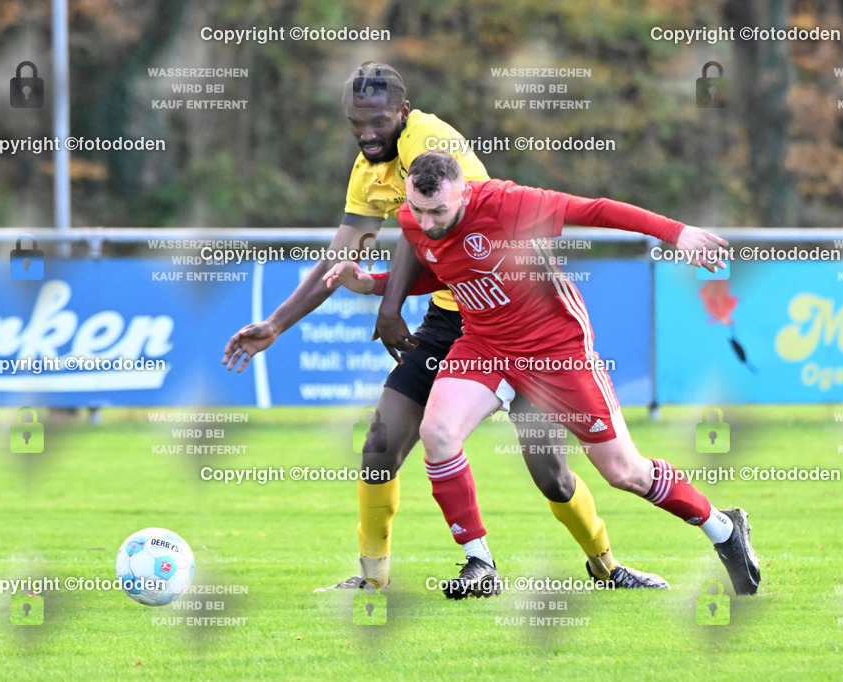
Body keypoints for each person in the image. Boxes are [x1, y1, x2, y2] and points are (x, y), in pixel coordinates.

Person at [223, 63, 657, 599]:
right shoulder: (367, 172)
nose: (367, 132)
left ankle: (606, 565)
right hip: (448, 323)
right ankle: (377, 574)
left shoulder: (430, 141)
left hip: (514, 322)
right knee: (381, 444)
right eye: (356, 122)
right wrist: (276, 323)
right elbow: (341, 258)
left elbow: (427, 227)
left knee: (550, 473)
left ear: (402, 113)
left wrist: (389, 303)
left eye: (378, 120)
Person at [332, 150, 761, 596]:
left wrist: (675, 233)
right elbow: (447, 272)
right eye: (418, 211)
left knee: (623, 472)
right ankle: (480, 562)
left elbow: (595, 209)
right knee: (438, 432)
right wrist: (373, 282)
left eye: (438, 210)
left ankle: (723, 528)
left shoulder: (509, 204)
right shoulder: (413, 219)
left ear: (463, 193)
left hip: (555, 350)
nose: (427, 222)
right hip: (486, 344)